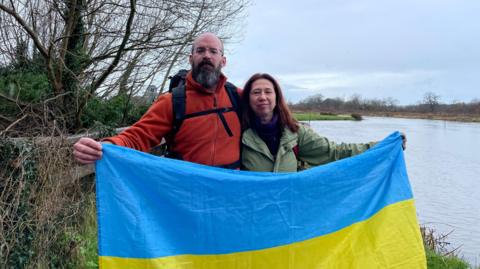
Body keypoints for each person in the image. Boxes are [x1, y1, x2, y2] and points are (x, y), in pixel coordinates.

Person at [73, 33, 242, 168]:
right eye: (200, 50)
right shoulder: (173, 102)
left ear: (223, 60)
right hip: (186, 195)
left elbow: (267, 114)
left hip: (228, 195)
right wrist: (103, 147)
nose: (206, 55)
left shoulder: (238, 97)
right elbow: (138, 136)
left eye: (213, 51)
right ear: (190, 58)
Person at [240, 73, 406, 172]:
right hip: (254, 220)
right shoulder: (239, 134)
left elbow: (335, 153)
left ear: (277, 97)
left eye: (268, 91)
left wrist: (381, 146)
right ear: (248, 99)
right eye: (256, 92)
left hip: (289, 217)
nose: (263, 97)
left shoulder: (295, 133)